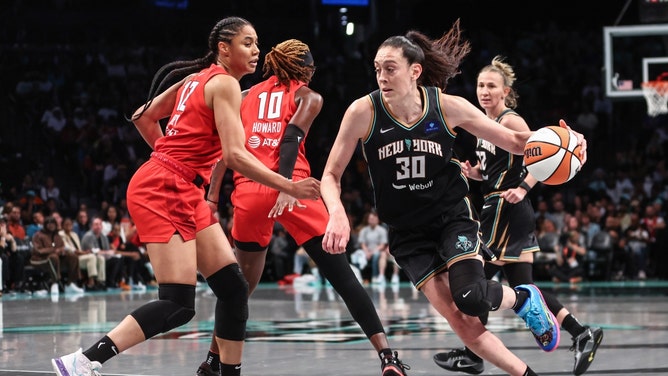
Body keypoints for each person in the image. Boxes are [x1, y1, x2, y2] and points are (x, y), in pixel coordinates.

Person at [52, 17, 319, 376]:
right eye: (248, 43)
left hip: (180, 186)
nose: (257, 50)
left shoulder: (195, 80)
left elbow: (141, 117)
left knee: (234, 289)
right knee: (178, 303)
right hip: (162, 188)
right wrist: (288, 185)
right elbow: (236, 155)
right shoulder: (223, 83)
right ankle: (81, 362)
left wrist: (174, 160)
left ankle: (223, 373)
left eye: (257, 43)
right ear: (224, 48)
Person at [320, 20, 588, 376]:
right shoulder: (363, 112)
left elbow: (515, 142)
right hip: (407, 234)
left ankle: (524, 300)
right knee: (464, 325)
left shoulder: (447, 107)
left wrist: (563, 141)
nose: (381, 77)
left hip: (451, 217)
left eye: (390, 68)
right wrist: (336, 212)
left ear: (415, 71)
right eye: (377, 69)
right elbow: (330, 175)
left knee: (471, 297)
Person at [196, 38, 408, 376]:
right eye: (310, 67)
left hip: (249, 192)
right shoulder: (308, 96)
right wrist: (286, 186)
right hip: (294, 188)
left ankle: (211, 361)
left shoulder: (246, 95)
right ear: (303, 68)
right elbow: (292, 136)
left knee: (238, 289)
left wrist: (211, 195)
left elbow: (225, 151)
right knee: (343, 279)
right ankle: (387, 356)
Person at [432, 56, 603, 376]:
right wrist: (476, 174)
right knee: (524, 286)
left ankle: (473, 352)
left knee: (477, 277)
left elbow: (542, 153)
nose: (484, 90)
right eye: (481, 85)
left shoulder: (511, 122)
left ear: (505, 91)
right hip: (504, 205)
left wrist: (524, 188)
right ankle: (582, 333)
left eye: (491, 86)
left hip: (505, 208)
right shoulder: (486, 125)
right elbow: (495, 167)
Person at [30, 215, 84, 295]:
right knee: (53, 257)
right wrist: (55, 250)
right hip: (40, 259)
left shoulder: (57, 236)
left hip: (57, 259)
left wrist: (62, 251)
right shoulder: (38, 235)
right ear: (45, 225)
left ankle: (70, 283)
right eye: (48, 223)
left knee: (73, 257)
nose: (51, 225)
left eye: (53, 223)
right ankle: (54, 283)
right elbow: (39, 251)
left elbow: (62, 247)